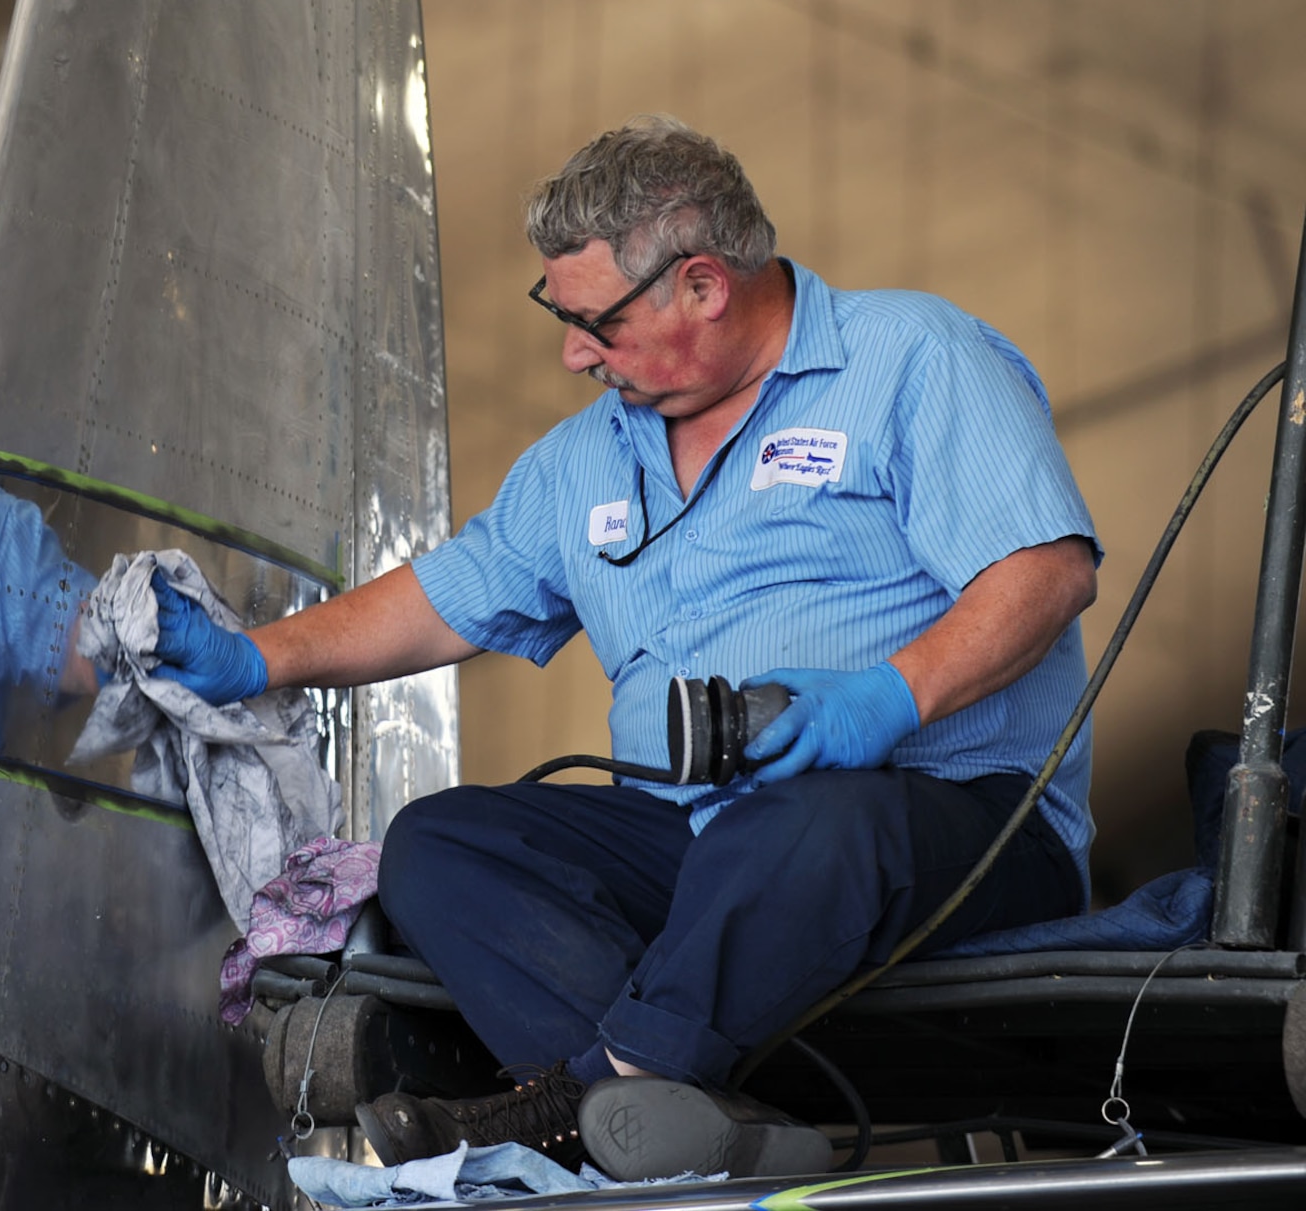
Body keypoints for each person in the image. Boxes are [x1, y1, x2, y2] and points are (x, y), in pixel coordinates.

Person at [147, 116, 1099, 1180]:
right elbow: (447, 595)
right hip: (700, 839)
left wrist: (889, 695)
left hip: (947, 822)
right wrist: (255, 658)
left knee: (811, 820)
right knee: (441, 844)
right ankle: (686, 1111)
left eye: (595, 320)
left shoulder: (910, 356)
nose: (570, 352)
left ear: (701, 285)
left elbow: (1046, 571)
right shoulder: (582, 459)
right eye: (557, 315)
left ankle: (588, 1088)